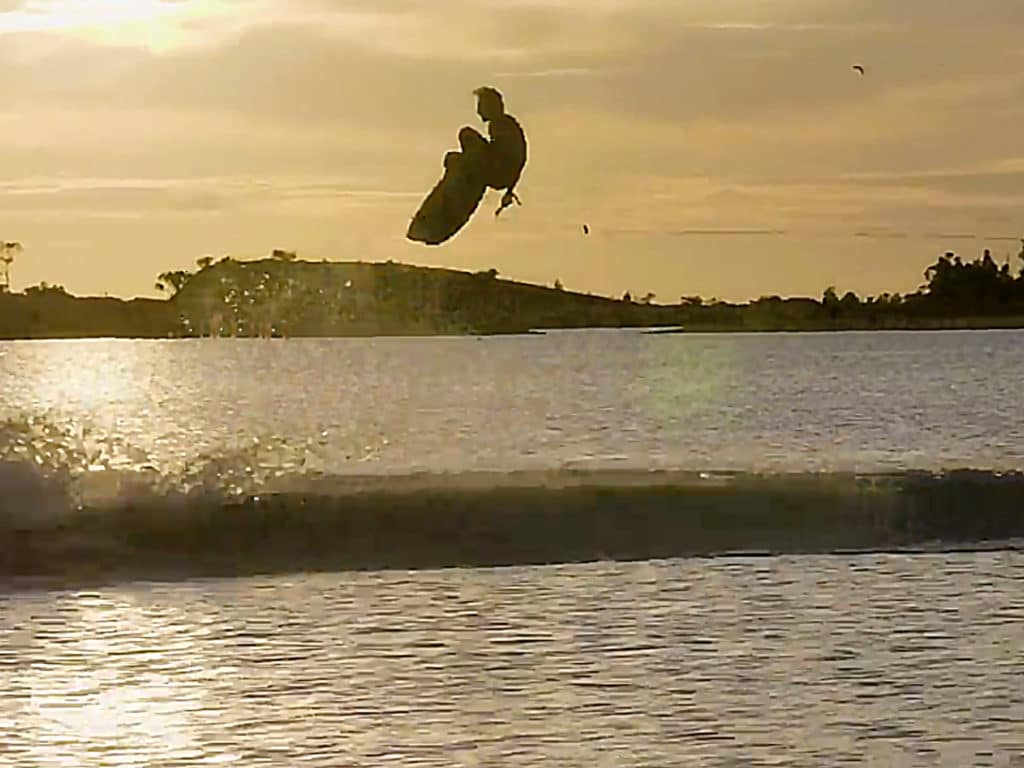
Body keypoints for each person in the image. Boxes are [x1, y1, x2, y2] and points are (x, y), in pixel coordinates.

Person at [457, 86, 527, 217]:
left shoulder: (501, 125)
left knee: (466, 134)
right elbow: (520, 158)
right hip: (503, 176)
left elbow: (514, 157)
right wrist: (510, 188)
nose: (478, 111)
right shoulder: (505, 124)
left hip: (498, 172)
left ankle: (470, 177)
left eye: (481, 106)